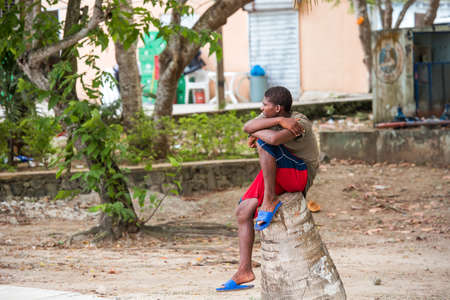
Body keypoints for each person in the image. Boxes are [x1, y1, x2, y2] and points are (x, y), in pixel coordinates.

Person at [216, 86, 319, 292]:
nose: (261, 107)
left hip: (299, 174)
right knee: (243, 211)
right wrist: (277, 122)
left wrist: (258, 133)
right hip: (279, 170)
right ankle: (244, 270)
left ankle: (270, 198)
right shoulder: (274, 117)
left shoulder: (300, 122)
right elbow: (247, 126)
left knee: (265, 143)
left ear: (278, 107)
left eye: (265, 105)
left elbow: (272, 140)